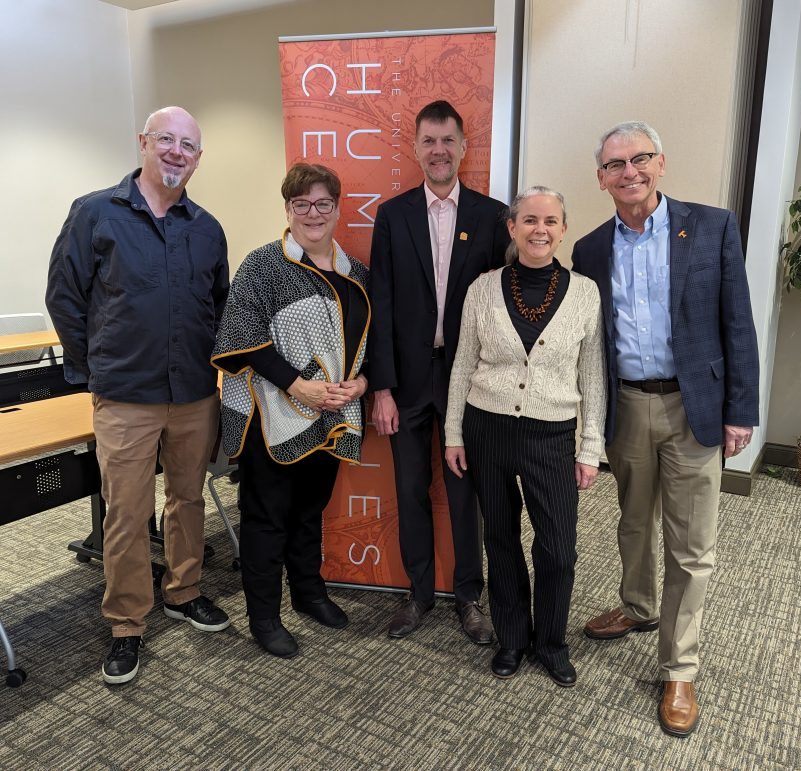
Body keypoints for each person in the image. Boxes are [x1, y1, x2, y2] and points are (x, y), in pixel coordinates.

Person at [572, 121, 759, 735]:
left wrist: (740, 408)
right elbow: (591, 342)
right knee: (632, 522)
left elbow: (738, 322)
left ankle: (679, 668)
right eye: (615, 164)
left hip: (692, 407)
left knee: (691, 542)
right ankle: (638, 607)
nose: (629, 171)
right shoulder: (590, 249)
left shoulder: (711, 226)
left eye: (640, 158)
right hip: (626, 405)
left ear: (661, 162)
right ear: (601, 178)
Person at [46, 106, 231, 686]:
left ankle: (184, 590)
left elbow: (219, 306)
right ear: (144, 143)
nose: (177, 152)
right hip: (125, 394)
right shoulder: (96, 213)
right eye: (167, 141)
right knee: (127, 513)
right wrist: (95, 367)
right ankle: (126, 622)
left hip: (194, 392)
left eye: (189, 146)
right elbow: (64, 297)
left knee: (188, 499)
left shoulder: (207, 228)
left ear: (198, 159)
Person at [444, 186, 606, 687]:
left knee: (558, 547)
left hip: (552, 434)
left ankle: (550, 642)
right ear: (511, 227)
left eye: (551, 221)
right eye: (529, 220)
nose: (540, 230)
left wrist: (591, 447)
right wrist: (453, 432)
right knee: (502, 538)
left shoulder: (584, 292)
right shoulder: (483, 288)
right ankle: (513, 637)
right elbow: (463, 365)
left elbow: (592, 374)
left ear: (562, 230)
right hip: (486, 426)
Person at [211, 163, 370, 659]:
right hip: (273, 416)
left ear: (338, 208)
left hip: (332, 415)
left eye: (323, 203)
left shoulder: (356, 275)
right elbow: (242, 339)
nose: (313, 213)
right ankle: (264, 617)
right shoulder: (262, 266)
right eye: (302, 204)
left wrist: (362, 383)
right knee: (266, 518)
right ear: (288, 210)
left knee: (309, 511)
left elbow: (371, 343)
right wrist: (298, 386)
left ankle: (308, 593)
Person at [368, 100, 509, 643]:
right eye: (429, 141)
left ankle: (469, 597)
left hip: (467, 381)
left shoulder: (492, 217)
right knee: (409, 490)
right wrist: (380, 387)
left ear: (463, 147)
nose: (439, 150)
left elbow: (502, 304)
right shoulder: (392, 215)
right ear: (416, 148)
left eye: (448, 140)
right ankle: (419, 594)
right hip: (404, 381)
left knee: (465, 492)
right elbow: (380, 304)